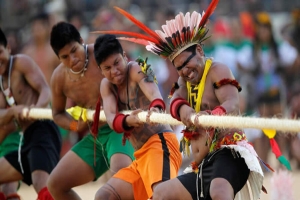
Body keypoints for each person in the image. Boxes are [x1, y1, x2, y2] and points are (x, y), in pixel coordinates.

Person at [96, 1, 266, 199]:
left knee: (219, 193)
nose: (185, 70)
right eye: (179, 67)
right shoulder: (184, 80)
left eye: (187, 62)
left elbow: (232, 104)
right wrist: (188, 113)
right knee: (160, 194)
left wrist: (208, 116)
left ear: (200, 52)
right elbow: (175, 102)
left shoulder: (216, 70)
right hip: (203, 163)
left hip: (229, 154)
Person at [47, 22, 135, 200]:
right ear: (58, 58)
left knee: (119, 181)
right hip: (95, 136)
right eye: (65, 56)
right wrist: (74, 125)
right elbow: (57, 113)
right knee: (55, 184)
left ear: (81, 41)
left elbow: (132, 70)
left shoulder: (101, 54)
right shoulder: (59, 77)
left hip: (120, 130)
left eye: (74, 50)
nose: (72, 59)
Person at [93, 34, 182, 200]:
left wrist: (155, 109)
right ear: (100, 70)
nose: (114, 71)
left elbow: (154, 94)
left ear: (124, 57)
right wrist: (129, 121)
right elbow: (112, 119)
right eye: (107, 68)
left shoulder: (136, 68)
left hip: (160, 145)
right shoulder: (106, 85)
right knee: (104, 196)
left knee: (162, 196)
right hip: (139, 155)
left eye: (117, 63)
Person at [0, 27, 62, 199]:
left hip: (43, 129)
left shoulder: (20, 63)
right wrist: (13, 112)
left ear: (8, 49)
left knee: (40, 182)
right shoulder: (0, 81)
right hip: (25, 138)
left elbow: (45, 90)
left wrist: (35, 109)